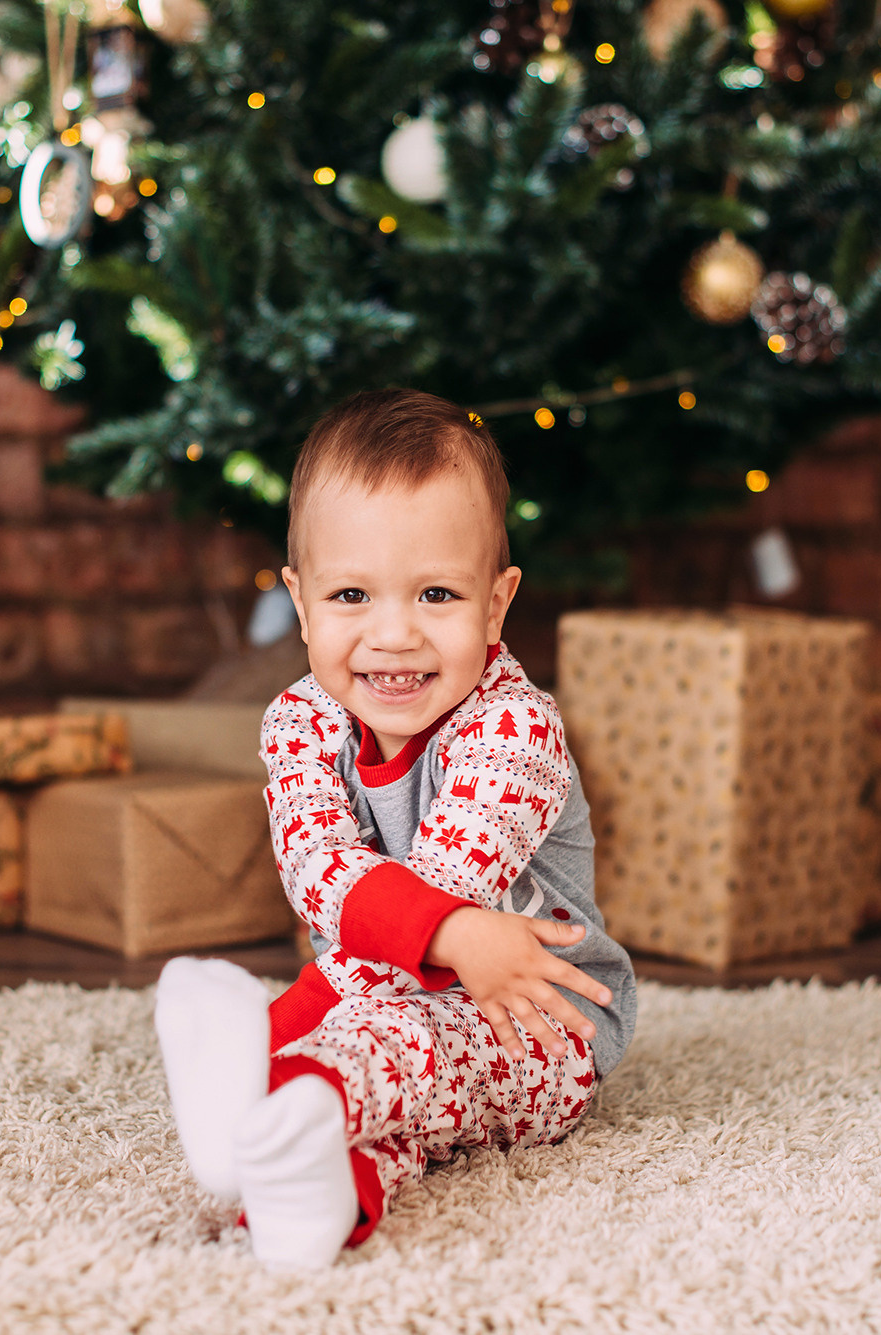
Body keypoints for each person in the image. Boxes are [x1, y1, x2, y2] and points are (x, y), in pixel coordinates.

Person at [154, 388, 637, 1269]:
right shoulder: (299, 722)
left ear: (495, 605)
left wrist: (283, 1031)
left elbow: (444, 893)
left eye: (437, 594)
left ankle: (281, 1088)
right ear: (300, 604)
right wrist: (316, 1014)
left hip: (532, 1017)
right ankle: (312, 1196)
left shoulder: (513, 729)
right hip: (376, 991)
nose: (393, 635)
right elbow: (318, 871)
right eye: (351, 594)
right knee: (399, 1100)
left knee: (398, 1049)